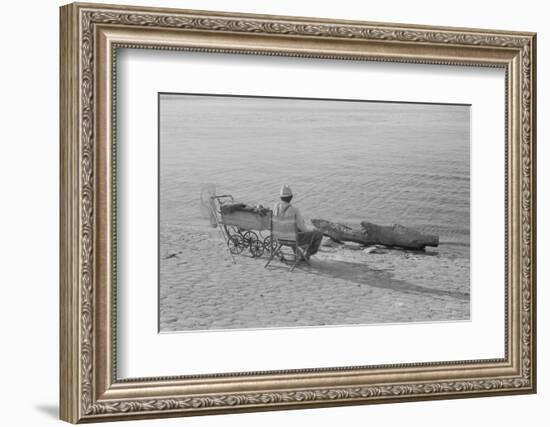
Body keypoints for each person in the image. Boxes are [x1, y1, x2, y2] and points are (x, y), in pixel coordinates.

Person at [272, 184, 323, 259]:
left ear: (280, 197)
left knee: (291, 228)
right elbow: (303, 229)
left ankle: (297, 252)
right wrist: (313, 229)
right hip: (292, 239)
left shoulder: (275, 207)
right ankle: (307, 255)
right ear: (291, 197)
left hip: (278, 238)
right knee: (318, 234)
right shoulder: (294, 210)